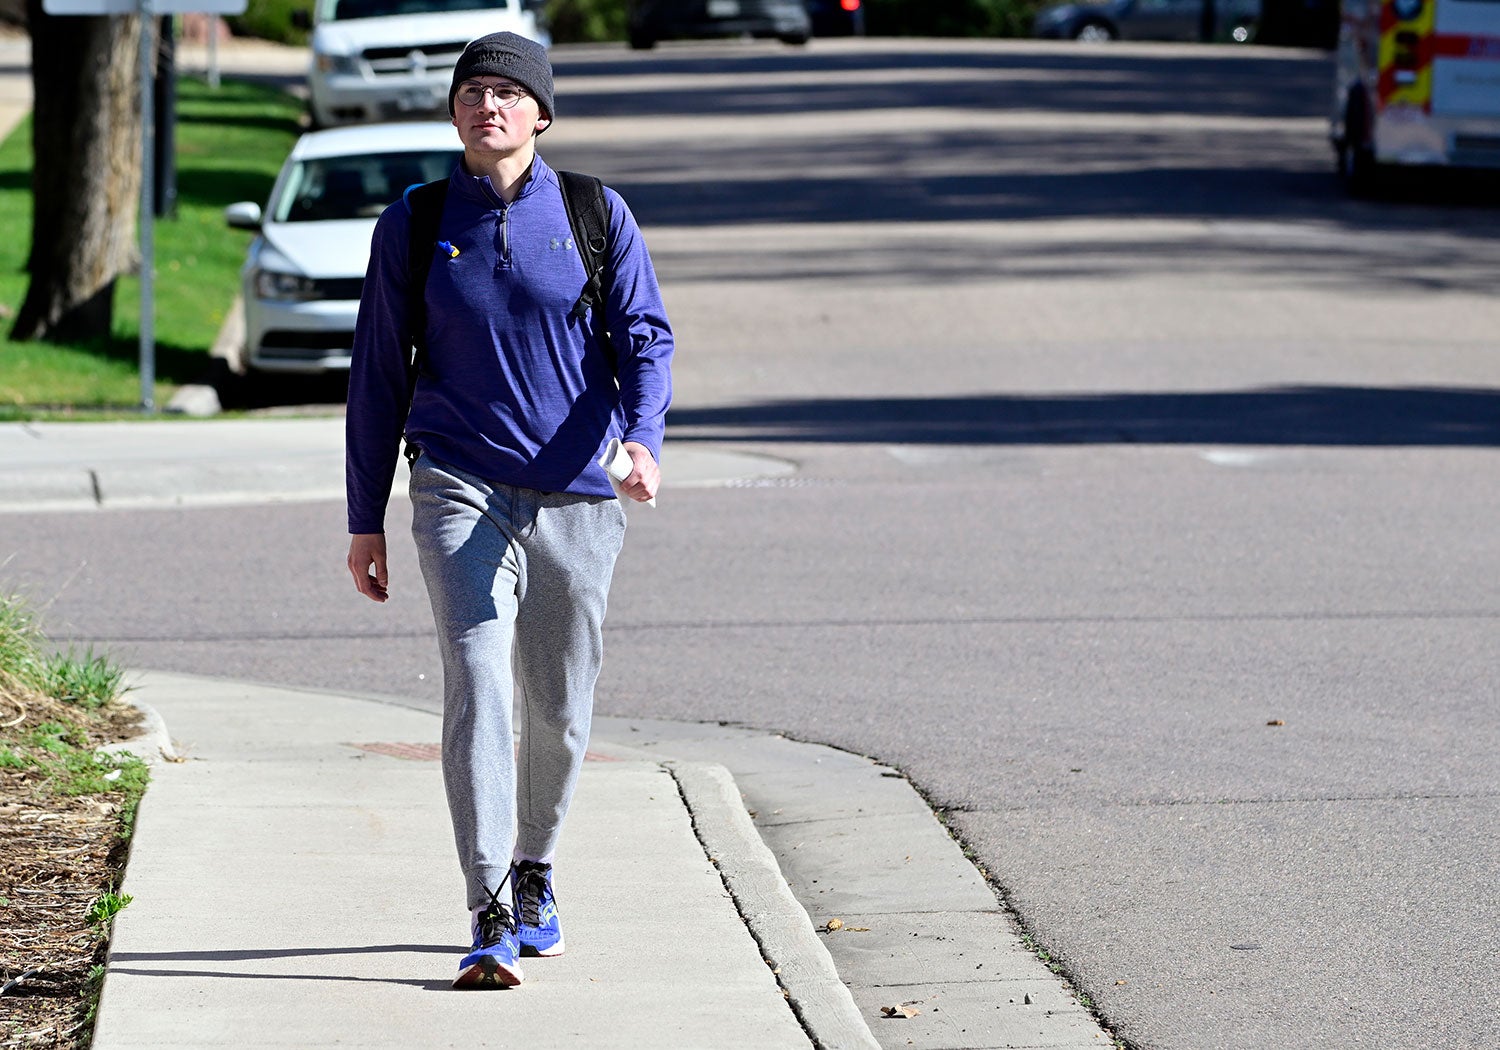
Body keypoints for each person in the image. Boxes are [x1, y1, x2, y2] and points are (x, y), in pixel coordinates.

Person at [343, 31, 673, 989]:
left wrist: (643, 440)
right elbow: (375, 376)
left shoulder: (593, 213)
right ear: (453, 113)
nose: (488, 105)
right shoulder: (414, 222)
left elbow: (646, 337)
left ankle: (536, 871)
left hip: (576, 493)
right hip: (458, 482)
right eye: (472, 92)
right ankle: (487, 906)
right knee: (479, 682)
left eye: (507, 93)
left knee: (560, 710)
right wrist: (365, 517)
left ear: (540, 114)